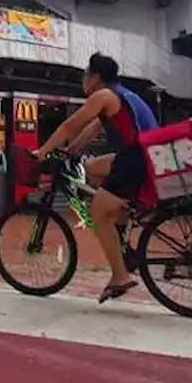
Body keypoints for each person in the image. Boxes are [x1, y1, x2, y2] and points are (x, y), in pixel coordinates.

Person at [31, 53, 159, 303]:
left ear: (95, 77)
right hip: (142, 155)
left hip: (134, 160)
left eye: (85, 74)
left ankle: (120, 276)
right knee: (91, 169)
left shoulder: (102, 96)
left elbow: (71, 125)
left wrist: (43, 151)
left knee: (97, 213)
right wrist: (71, 151)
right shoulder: (120, 94)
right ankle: (121, 226)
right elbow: (94, 128)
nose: (83, 79)